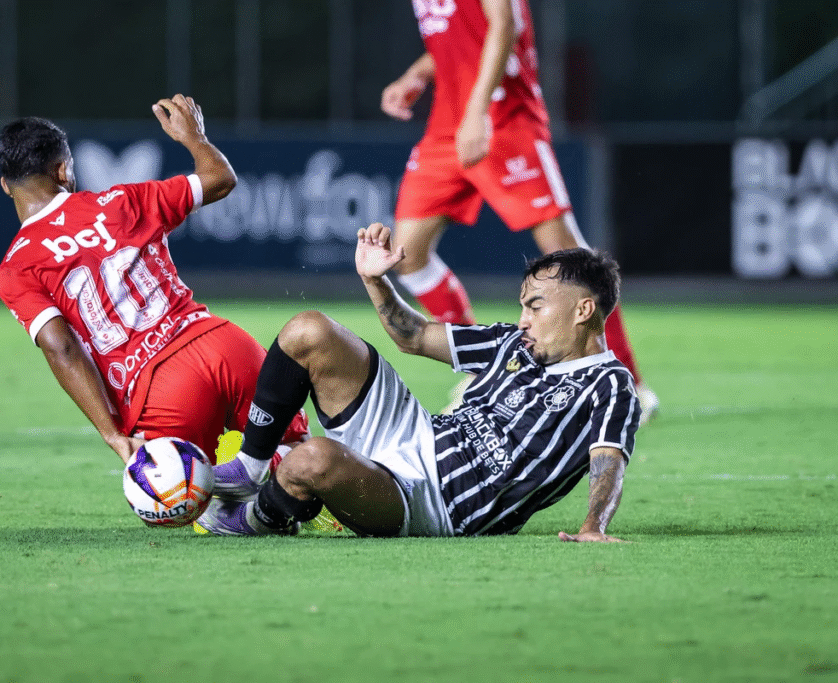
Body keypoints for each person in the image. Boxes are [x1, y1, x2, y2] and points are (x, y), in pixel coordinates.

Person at [197, 223, 640, 540]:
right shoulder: (514, 342)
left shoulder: (609, 383)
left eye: (536, 307)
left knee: (311, 462)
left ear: (583, 311)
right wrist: (376, 280)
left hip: (437, 503)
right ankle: (251, 470)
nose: (523, 319)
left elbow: (608, 459)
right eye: (523, 306)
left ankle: (258, 518)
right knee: (308, 330)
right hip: (418, 431)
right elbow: (414, 336)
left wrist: (592, 527)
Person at [0, 94, 308, 467]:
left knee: (179, 497)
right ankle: (292, 492)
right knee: (298, 454)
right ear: (63, 170)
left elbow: (60, 346)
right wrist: (194, 137)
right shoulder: (123, 199)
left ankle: (231, 497)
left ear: (5, 186)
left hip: (159, 388)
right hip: (222, 344)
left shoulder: (15, 268)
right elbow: (220, 179)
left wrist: (112, 433)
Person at [380, 0, 657, 423]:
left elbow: (503, 24)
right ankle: (482, 373)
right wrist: (416, 74)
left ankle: (628, 383)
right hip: (445, 128)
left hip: (505, 122)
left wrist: (477, 114)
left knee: (568, 256)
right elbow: (457, 41)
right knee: (406, 252)